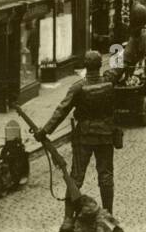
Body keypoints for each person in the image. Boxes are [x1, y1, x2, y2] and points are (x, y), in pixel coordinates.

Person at [38, 50, 123, 214]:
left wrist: (45, 131)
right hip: (105, 136)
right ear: (100, 65)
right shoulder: (109, 82)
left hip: (84, 137)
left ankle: (68, 219)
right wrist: (118, 46)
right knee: (106, 177)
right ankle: (109, 214)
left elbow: (61, 111)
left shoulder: (78, 87)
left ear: (85, 65)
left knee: (75, 178)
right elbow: (119, 65)